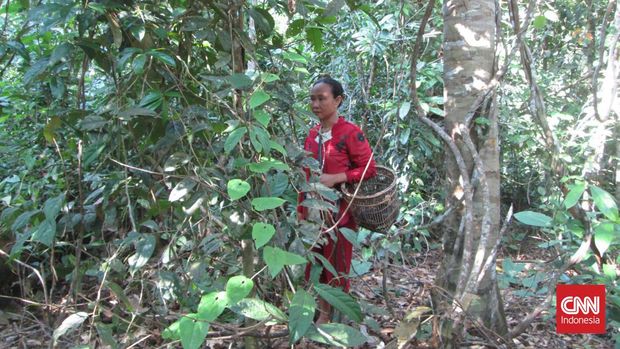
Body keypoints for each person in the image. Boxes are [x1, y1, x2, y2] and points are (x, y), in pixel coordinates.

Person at [297, 77, 376, 324]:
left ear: (338, 100)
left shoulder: (351, 133)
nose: (316, 104)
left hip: (340, 214)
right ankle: (318, 314)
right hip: (312, 213)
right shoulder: (312, 134)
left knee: (336, 264)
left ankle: (334, 318)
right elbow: (305, 173)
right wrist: (300, 206)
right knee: (314, 264)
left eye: (322, 98)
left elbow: (369, 168)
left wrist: (337, 178)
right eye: (312, 98)